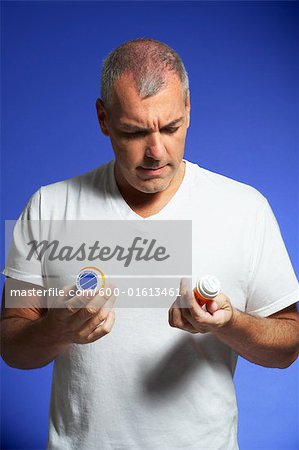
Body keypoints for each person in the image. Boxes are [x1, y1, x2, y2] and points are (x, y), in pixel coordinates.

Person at [1, 38, 298, 450]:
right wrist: (56, 328)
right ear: (104, 119)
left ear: (189, 109)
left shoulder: (245, 208)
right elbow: (11, 344)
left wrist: (230, 324)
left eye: (171, 127)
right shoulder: (49, 206)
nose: (156, 152)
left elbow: (289, 344)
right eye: (134, 132)